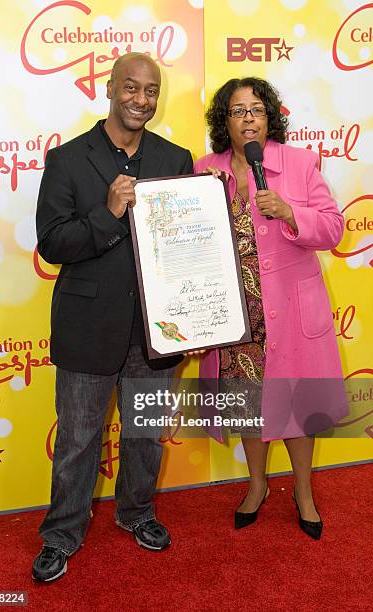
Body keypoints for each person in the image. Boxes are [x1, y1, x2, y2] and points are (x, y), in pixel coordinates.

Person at [33, 53, 194, 582]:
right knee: (79, 440)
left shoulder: (176, 158)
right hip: (88, 328)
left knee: (144, 435)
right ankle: (61, 533)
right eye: (131, 87)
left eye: (151, 91)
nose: (141, 100)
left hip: (157, 328)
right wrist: (107, 214)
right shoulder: (67, 159)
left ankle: (137, 513)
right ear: (109, 87)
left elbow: (188, 245)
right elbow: (54, 244)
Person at [194, 77, 348, 540]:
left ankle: (303, 492)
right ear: (224, 122)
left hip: (290, 314)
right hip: (234, 315)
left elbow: (334, 229)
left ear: (271, 118)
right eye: (237, 110)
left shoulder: (299, 164)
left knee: (298, 407)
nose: (248, 119)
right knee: (246, 403)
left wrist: (289, 212)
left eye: (257, 110)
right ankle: (257, 485)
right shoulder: (204, 170)